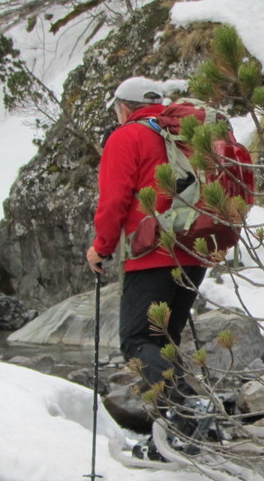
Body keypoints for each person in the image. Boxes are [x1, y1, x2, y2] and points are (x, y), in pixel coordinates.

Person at [86, 77, 207, 451]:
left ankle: (189, 413)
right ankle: (176, 438)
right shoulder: (184, 134)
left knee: (138, 341)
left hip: (151, 253)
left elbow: (115, 200)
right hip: (196, 250)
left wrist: (101, 248)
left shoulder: (127, 136)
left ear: (124, 107)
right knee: (164, 341)